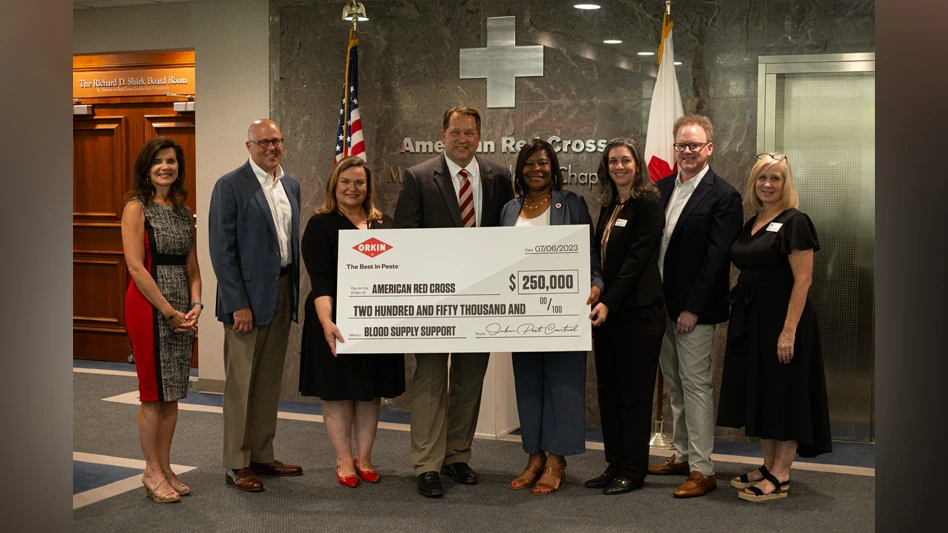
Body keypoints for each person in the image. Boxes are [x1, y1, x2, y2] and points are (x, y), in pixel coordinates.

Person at [394, 105, 514, 498]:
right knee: (430, 379)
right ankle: (427, 464)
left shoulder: (499, 176)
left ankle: (457, 456)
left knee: (469, 379)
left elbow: (508, 235)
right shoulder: (418, 177)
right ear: (442, 134)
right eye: (456, 132)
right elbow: (404, 240)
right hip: (433, 300)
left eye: (470, 133)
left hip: (482, 298)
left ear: (480, 137)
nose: (463, 139)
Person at [717, 153, 832, 502]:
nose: (767, 184)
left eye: (775, 178)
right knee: (763, 391)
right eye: (761, 178)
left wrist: (788, 331)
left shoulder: (796, 221)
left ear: (786, 183)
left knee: (784, 392)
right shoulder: (754, 220)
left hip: (784, 319)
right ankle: (768, 466)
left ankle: (781, 475)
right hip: (753, 318)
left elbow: (804, 280)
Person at [498, 139, 604, 495]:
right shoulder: (509, 210)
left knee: (563, 384)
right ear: (520, 169)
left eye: (543, 163)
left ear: (553, 168)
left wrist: (596, 284)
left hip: (564, 311)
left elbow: (590, 252)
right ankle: (534, 456)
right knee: (528, 385)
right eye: (529, 164)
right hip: (522, 314)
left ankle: (557, 459)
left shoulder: (571, 203)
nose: (536, 170)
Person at [647, 114, 744, 498]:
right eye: (682, 145)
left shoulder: (724, 196)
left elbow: (716, 260)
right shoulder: (661, 188)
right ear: (675, 148)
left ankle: (703, 469)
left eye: (695, 145)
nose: (687, 151)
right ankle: (684, 454)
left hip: (693, 313)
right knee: (676, 386)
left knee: (696, 386)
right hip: (661, 306)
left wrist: (693, 308)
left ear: (709, 148)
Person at [299, 156, 406, 488]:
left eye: (359, 182)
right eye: (345, 181)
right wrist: (326, 322)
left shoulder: (385, 224)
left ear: (368, 186)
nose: (352, 188)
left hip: (376, 320)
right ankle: (344, 460)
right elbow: (320, 279)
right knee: (338, 393)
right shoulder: (321, 224)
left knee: (369, 392)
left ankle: (365, 458)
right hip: (335, 319)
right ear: (334, 185)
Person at [208, 119, 303, 492]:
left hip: (281, 292)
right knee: (241, 385)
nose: (271, 148)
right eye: (263, 142)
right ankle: (236, 462)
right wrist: (237, 304)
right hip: (245, 302)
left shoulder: (290, 184)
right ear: (249, 146)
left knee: (267, 382)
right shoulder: (230, 185)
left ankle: (262, 455)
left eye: (276, 141)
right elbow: (222, 250)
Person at [583, 138, 665, 495]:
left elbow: (636, 261)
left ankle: (633, 470)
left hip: (638, 314)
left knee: (634, 396)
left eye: (626, 160)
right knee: (609, 393)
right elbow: (601, 257)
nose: (619, 167)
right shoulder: (610, 204)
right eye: (613, 161)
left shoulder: (648, 204)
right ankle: (614, 464)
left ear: (638, 165)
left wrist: (609, 302)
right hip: (608, 313)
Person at [122, 137, 202, 503]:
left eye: (171, 161)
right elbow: (136, 268)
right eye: (158, 161)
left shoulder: (184, 212)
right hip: (148, 306)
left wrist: (195, 304)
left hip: (182, 309)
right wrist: (168, 311)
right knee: (154, 394)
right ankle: (150, 471)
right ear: (146, 168)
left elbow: (193, 266)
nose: (165, 167)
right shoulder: (135, 208)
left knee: (172, 393)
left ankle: (165, 466)